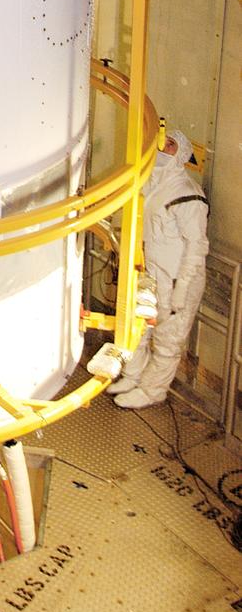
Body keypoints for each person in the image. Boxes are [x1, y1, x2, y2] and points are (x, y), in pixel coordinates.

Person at [109, 128, 209, 410]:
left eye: (171, 144)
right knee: (139, 329)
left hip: (176, 279)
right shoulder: (151, 185)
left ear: (183, 154)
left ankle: (153, 391)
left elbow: (197, 246)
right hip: (151, 275)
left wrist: (182, 289)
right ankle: (134, 376)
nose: (163, 147)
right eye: (162, 141)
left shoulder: (188, 194)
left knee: (168, 338)